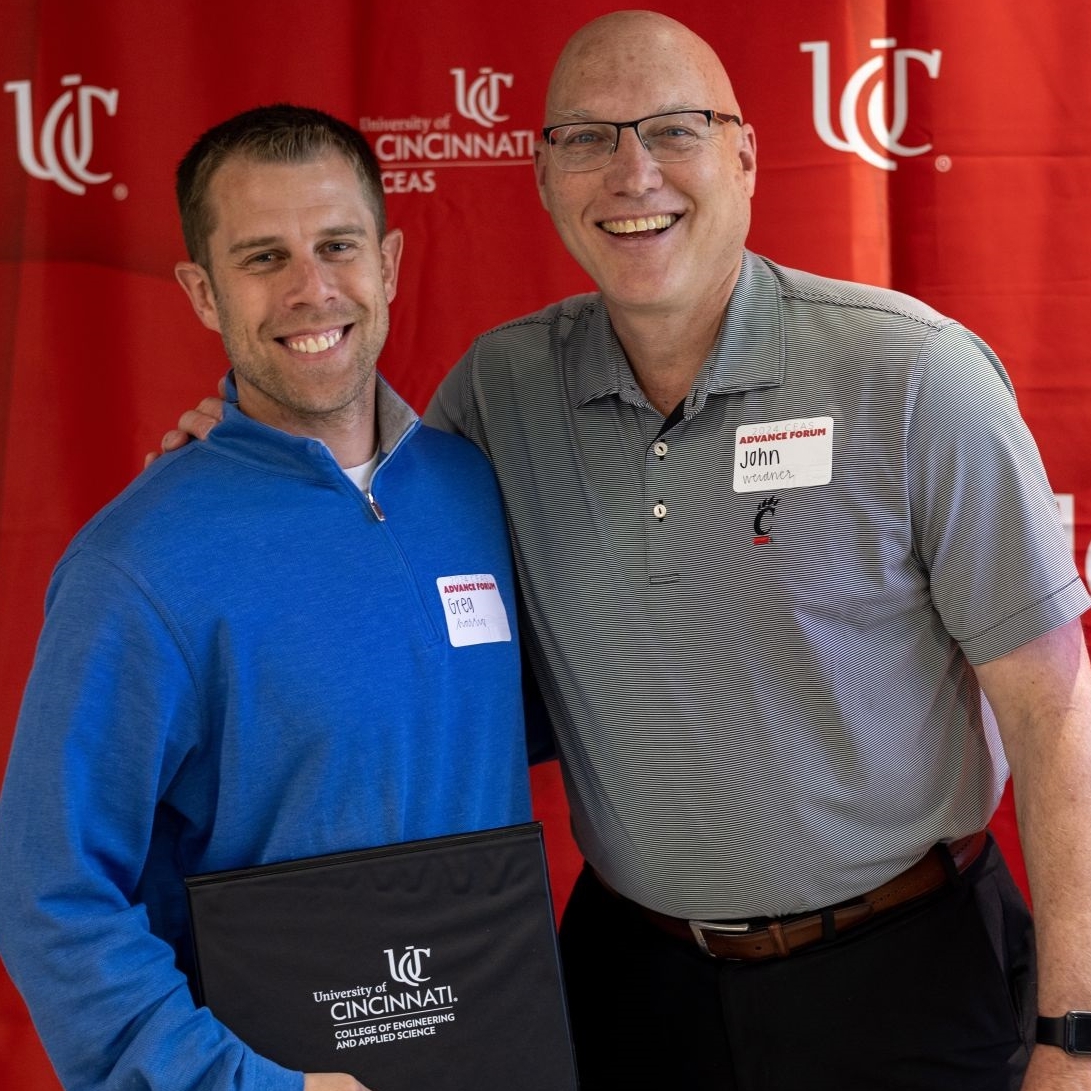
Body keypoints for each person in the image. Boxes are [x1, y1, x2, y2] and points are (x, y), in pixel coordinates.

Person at [155, 12, 1091, 1091]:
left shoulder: (913, 374)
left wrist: (1071, 1032)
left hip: (906, 973)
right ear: (545, 177)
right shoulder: (497, 392)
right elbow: (357, 511)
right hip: (630, 986)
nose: (632, 172)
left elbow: (1051, 706)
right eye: (588, 139)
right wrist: (240, 459)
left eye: (674, 130)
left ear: (743, 157)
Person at [0, 105, 534, 1091]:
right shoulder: (137, 562)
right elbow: (51, 891)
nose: (311, 288)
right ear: (203, 292)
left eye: (337, 245)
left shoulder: (477, 493)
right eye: (262, 257)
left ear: (390, 261)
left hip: (497, 1050)